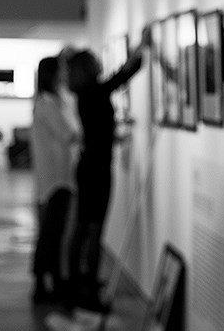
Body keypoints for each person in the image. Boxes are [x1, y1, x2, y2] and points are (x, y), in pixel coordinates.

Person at [66, 28, 150, 312]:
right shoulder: (94, 92)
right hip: (97, 169)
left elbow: (97, 131)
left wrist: (114, 136)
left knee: (83, 227)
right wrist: (141, 47)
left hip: (89, 164)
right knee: (93, 229)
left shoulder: (84, 94)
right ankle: (87, 292)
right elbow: (124, 74)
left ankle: (77, 286)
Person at [30, 55, 79, 303]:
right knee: (51, 233)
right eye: (60, 71)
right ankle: (45, 284)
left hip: (57, 177)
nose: (64, 75)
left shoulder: (50, 103)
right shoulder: (47, 106)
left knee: (52, 232)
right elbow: (67, 134)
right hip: (55, 180)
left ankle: (49, 281)